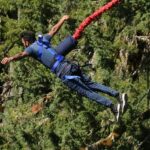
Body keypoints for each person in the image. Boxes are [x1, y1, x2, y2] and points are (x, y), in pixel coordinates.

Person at [1, 15, 127, 122]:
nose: (23, 44)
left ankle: (113, 107)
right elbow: (54, 29)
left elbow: (21, 55)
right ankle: (118, 95)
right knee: (91, 84)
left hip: (63, 72)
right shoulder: (42, 40)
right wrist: (63, 19)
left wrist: (10, 58)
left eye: (23, 42)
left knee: (87, 92)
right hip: (69, 65)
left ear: (26, 41)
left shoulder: (30, 48)